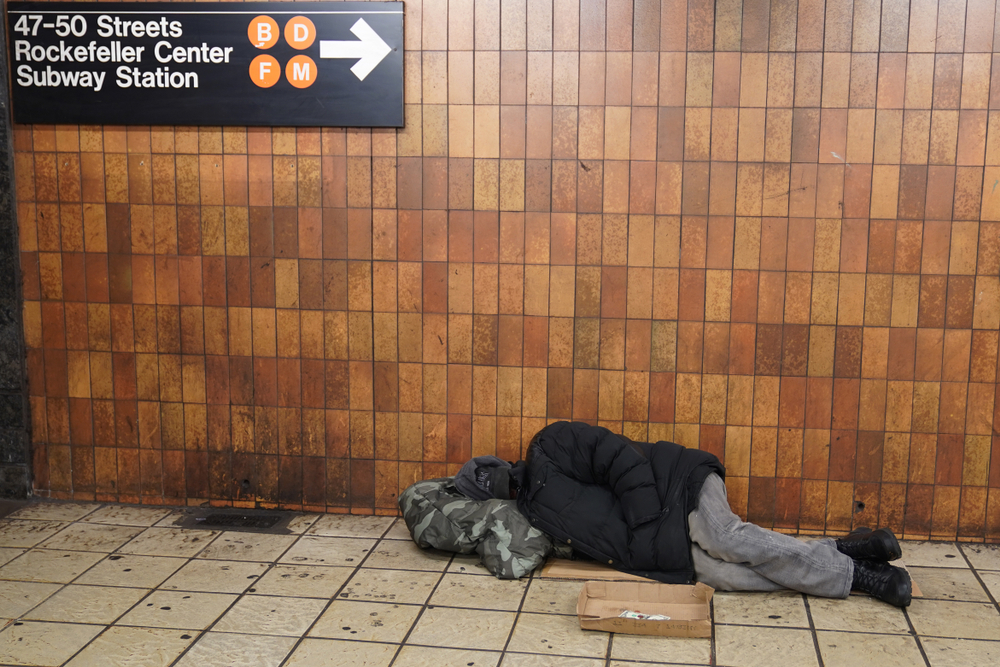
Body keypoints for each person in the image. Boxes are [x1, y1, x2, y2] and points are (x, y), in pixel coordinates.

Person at [453, 421, 911, 608]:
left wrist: (646, 519)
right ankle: (846, 553)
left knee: (726, 538)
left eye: (489, 478)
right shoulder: (533, 511)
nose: (497, 487)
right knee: (727, 576)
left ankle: (856, 574)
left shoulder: (546, 445)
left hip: (678, 484)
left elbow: (618, 458)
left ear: (499, 465)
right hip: (659, 542)